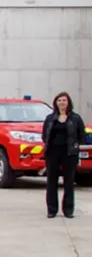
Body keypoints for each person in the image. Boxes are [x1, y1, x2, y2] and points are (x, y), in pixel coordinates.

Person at [42, 91, 85, 219]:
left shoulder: (75, 118)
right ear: (56, 103)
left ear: (68, 103)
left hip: (69, 154)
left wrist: (76, 147)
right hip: (52, 153)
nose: (62, 103)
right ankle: (52, 209)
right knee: (51, 182)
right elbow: (44, 135)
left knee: (68, 182)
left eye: (64, 100)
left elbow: (81, 135)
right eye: (59, 100)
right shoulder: (50, 118)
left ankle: (68, 209)